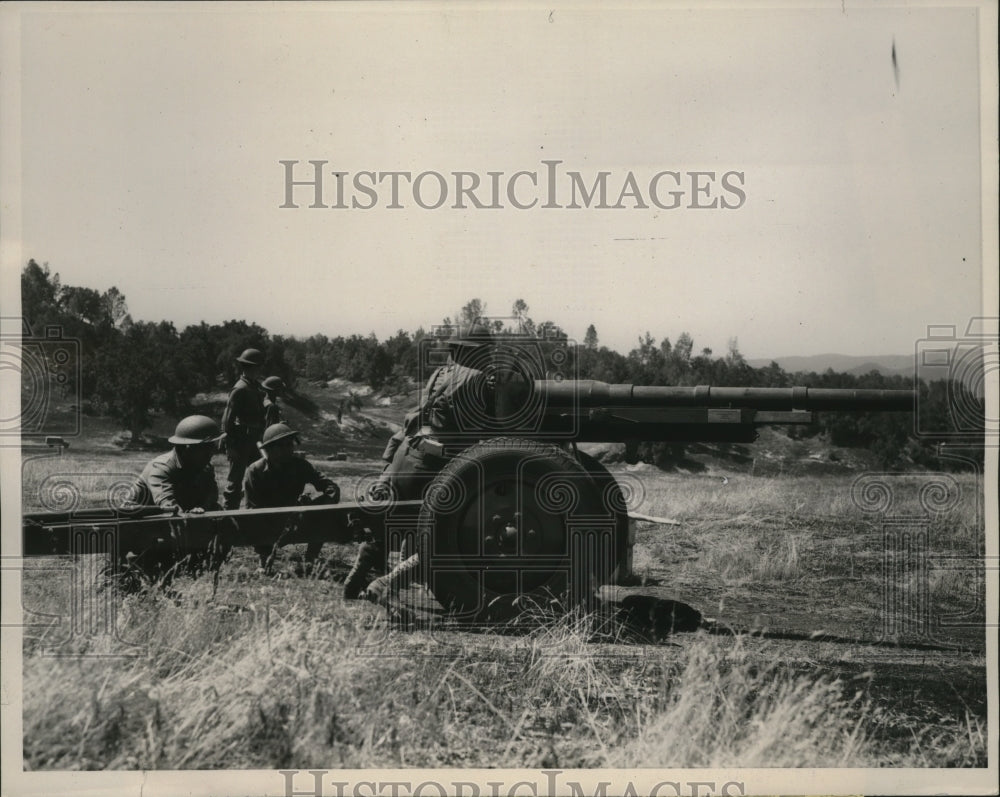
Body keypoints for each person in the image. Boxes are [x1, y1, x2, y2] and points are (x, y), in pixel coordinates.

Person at [343, 320, 495, 599]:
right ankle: (386, 585)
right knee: (440, 540)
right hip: (431, 464)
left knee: (401, 526)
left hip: (408, 456)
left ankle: (363, 568)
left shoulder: (439, 373)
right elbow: (479, 429)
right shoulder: (477, 378)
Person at [118, 415, 226, 585]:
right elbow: (167, 505)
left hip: (172, 522)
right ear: (188, 448)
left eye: (213, 445)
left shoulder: (204, 467)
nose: (213, 451)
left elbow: (211, 496)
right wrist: (189, 515)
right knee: (144, 578)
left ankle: (194, 572)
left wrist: (202, 508)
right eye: (207, 447)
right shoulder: (161, 467)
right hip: (139, 524)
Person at [243, 423, 341, 573]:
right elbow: (252, 508)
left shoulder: (300, 466)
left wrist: (321, 504)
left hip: (295, 520)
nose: (288, 449)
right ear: (269, 449)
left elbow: (329, 486)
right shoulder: (255, 471)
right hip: (267, 522)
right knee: (256, 519)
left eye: (290, 444)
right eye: (282, 446)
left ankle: (310, 561)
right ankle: (263, 562)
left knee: (324, 511)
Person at [221, 348, 266, 509]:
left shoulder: (254, 387)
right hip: (240, 442)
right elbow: (228, 419)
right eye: (257, 367)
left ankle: (252, 511)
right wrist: (229, 445)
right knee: (235, 481)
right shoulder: (240, 388)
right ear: (249, 368)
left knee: (259, 475)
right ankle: (227, 517)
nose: (260, 370)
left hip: (254, 440)